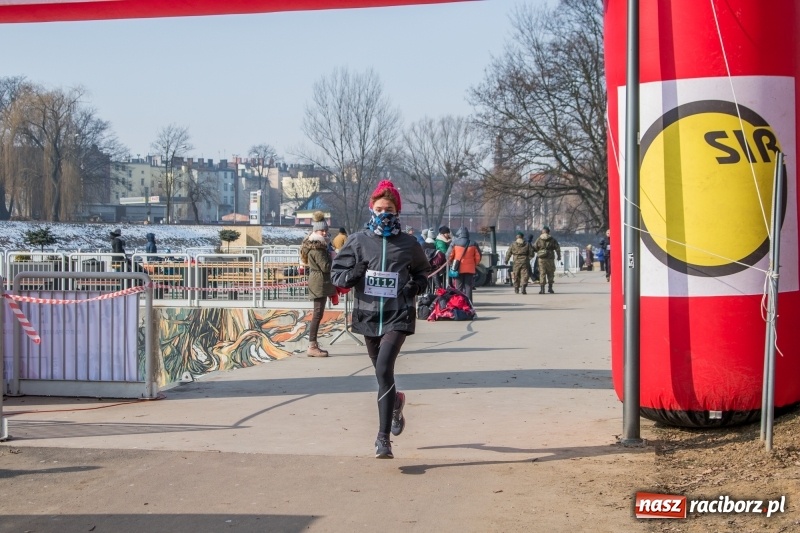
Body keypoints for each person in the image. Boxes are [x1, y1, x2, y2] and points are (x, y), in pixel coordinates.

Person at [331, 180, 430, 459]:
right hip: (368, 314)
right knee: (381, 374)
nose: (384, 213)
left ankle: (382, 439)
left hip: (399, 314)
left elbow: (424, 273)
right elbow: (337, 275)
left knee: (385, 368)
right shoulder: (358, 241)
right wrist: (354, 274)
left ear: (397, 211)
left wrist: (415, 286)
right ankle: (396, 401)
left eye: (389, 208)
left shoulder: (409, 243)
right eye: (379, 208)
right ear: (371, 209)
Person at [300, 211, 336, 358]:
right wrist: (333, 258)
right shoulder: (318, 247)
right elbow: (326, 267)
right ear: (315, 231)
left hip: (318, 280)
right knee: (317, 314)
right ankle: (312, 346)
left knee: (318, 313)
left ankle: (313, 344)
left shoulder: (318, 245)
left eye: (326, 230)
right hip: (319, 282)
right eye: (322, 230)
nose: (325, 233)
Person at [447, 227, 482, 303]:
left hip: (458, 268)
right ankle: (469, 303)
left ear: (459, 234)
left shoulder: (454, 243)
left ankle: (459, 303)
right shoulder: (473, 243)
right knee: (468, 287)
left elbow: (449, 255)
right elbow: (478, 256)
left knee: (458, 287)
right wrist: (474, 264)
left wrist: (451, 264)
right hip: (470, 269)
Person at [533, 225, 561, 294]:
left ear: (542, 232)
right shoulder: (552, 239)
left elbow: (535, 247)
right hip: (550, 258)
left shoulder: (539, 239)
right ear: (548, 232)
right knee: (550, 273)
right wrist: (559, 256)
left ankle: (542, 289)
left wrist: (539, 251)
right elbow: (557, 248)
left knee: (542, 273)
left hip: (541, 259)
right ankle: (550, 288)